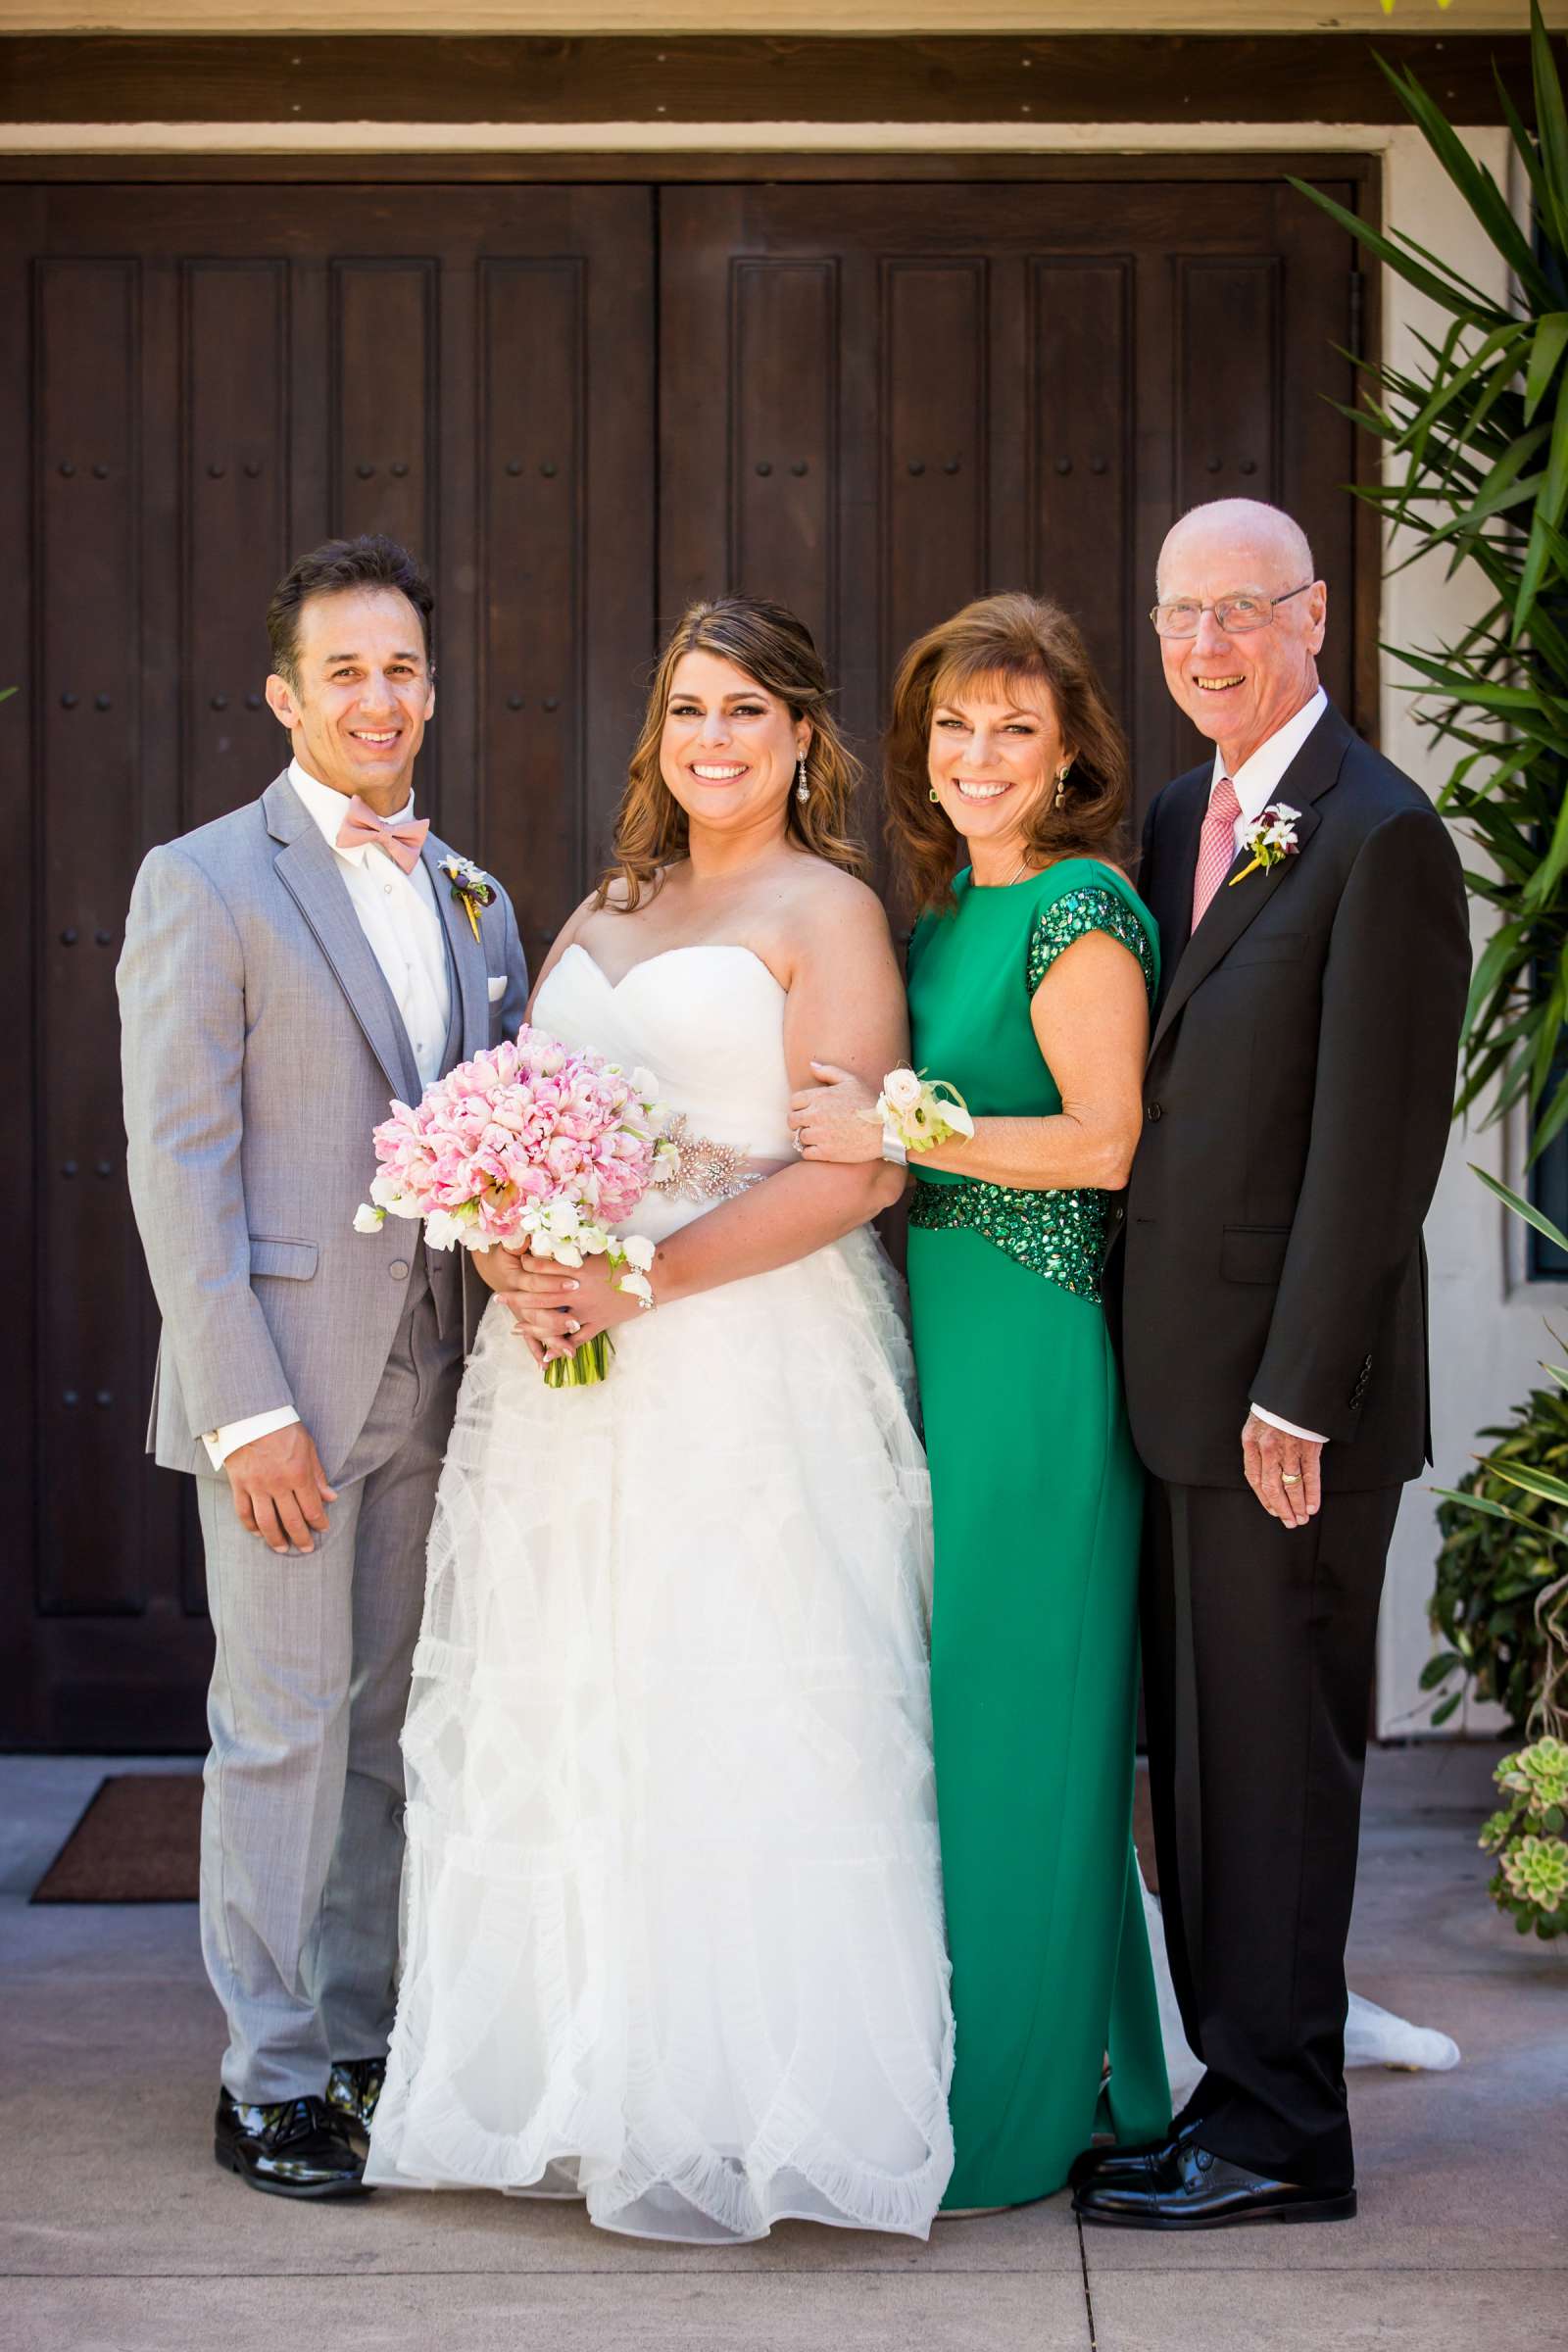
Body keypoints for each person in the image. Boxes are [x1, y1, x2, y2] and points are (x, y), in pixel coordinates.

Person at [365, 598, 956, 2242]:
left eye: (748, 713)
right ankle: (581, 2077)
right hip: (565, 1378)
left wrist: (646, 1280)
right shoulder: (605, 908)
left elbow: (860, 1169)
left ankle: (746, 2100)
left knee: (737, 1696)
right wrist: (506, 1248)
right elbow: (511, 1123)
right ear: (661, 730)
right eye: (691, 709)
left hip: (746, 1360)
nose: (714, 739)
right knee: (578, 1701)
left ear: (802, 740)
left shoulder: (827, 911)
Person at [1072, 499, 1470, 2230]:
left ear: (1315, 616)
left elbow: (1379, 1152)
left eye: (1242, 610)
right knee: (1207, 1768)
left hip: (1285, 1412)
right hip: (1172, 1388)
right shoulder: (1180, 816)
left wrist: (1297, 1388)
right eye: (1179, 617)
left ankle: (1288, 2135)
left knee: (1282, 1771)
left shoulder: (1381, 834)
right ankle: (1225, 2096)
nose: (1207, 645)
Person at [118, 535, 529, 2197]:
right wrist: (245, 1413)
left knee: (386, 1731)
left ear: (433, 693)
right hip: (284, 1388)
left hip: (443, 1376)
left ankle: (361, 2041)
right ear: (288, 695)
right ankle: (269, 2075)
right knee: (282, 1730)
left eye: (405, 669)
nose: (380, 696)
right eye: (345, 669)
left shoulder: (476, 892)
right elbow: (179, 1170)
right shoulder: (204, 879)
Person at [788, 592, 1172, 2209]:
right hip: (942, 1344)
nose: (980, 754)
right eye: (954, 725)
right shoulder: (943, 917)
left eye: (1017, 726)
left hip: (1036, 1358)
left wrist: (896, 1123)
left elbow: (1104, 1143)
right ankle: (1044, 2055)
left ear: (1073, 748)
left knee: (1024, 1725)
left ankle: (1025, 2111)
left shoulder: (1079, 910)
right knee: (961, 1722)